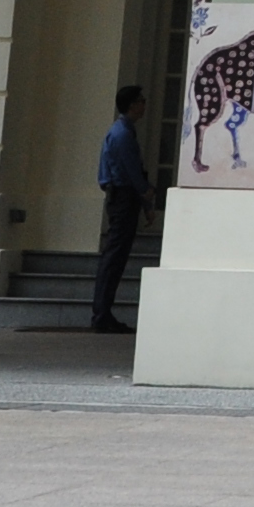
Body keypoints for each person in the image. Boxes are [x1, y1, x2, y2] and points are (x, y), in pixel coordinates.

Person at [92, 83, 149, 335]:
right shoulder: (123, 134)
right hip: (123, 196)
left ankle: (103, 313)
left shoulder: (120, 130)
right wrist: (147, 195)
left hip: (120, 195)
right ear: (132, 104)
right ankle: (102, 314)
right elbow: (132, 171)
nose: (144, 104)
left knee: (114, 257)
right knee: (114, 257)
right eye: (141, 100)